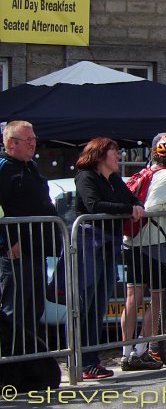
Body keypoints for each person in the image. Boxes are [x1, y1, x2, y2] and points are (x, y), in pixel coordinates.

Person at [74, 138, 145, 380]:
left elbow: (132, 197)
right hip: (88, 246)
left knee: (99, 306)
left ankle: (92, 360)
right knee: (86, 305)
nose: (118, 157)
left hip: (107, 246)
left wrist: (135, 205)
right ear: (101, 155)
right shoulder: (86, 177)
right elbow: (94, 205)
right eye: (114, 152)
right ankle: (82, 362)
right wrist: (127, 210)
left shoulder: (114, 179)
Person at [120, 133, 166, 371]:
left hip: (131, 241)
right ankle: (140, 350)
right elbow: (153, 208)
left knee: (132, 297)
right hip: (153, 242)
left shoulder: (143, 173)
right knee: (157, 298)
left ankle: (126, 351)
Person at [0, 121, 59, 359]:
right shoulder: (4, 168)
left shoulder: (31, 167)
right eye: (28, 140)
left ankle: (30, 363)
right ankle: (10, 365)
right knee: (14, 312)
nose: (33, 144)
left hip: (36, 250)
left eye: (34, 139)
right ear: (11, 143)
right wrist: (7, 241)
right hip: (16, 253)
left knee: (34, 310)